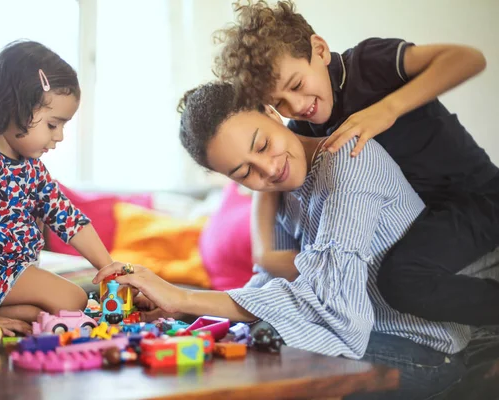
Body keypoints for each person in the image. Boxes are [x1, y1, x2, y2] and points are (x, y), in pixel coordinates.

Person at [94, 81, 499, 399]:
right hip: (364, 335)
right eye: (243, 172)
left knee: (260, 360)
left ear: (271, 112)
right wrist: (177, 310)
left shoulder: (349, 162)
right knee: (228, 349)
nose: (268, 170)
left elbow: (323, 299)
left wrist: (181, 296)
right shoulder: (286, 187)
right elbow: (269, 285)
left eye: (263, 144)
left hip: (425, 350)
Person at [213, 0, 499, 326]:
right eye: (279, 102)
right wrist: (262, 253)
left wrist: (387, 110)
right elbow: (269, 183)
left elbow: (468, 59)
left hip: (476, 197)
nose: (296, 105)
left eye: (296, 85)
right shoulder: (304, 127)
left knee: (402, 279)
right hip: (427, 217)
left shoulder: (368, 64)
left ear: (319, 50)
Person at [0, 40, 128, 336]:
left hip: (3, 277)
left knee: (52, 315)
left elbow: (65, 216)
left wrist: (109, 268)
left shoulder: (29, 165)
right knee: (74, 300)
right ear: (14, 107)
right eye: (53, 125)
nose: (60, 137)